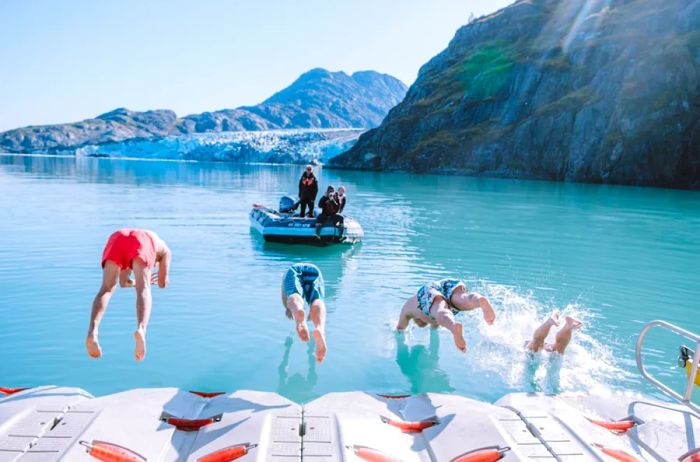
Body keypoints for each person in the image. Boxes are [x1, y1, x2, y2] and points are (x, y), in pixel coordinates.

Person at [86, 229, 171, 361]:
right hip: (143, 241)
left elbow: (124, 282)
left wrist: (135, 282)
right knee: (144, 289)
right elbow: (162, 283)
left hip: (118, 237)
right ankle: (141, 329)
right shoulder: (165, 251)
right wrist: (150, 280)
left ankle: (93, 331)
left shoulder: (137, 251)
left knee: (106, 289)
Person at [396, 278, 496, 353]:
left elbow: (400, 328)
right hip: (446, 283)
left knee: (441, 309)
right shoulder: (433, 322)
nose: (421, 325)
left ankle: (453, 326)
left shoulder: (408, 310)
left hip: (427, 291)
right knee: (463, 299)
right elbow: (434, 347)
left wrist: (398, 331)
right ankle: (479, 300)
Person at [281, 263, 327, 363]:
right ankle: (320, 328)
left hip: (292, 271)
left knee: (294, 295)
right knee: (317, 300)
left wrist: (289, 309)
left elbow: (286, 299)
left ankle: (298, 310)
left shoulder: (285, 276)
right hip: (315, 269)